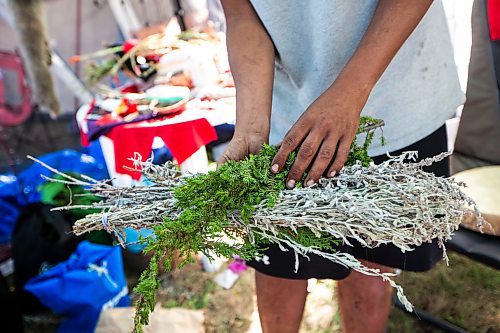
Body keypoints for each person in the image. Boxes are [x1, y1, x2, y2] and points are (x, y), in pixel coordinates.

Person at [219, 1, 463, 332]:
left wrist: (351, 91)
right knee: (277, 260)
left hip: (394, 88)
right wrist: (252, 126)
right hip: (288, 105)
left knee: (372, 260)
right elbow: (242, 15)